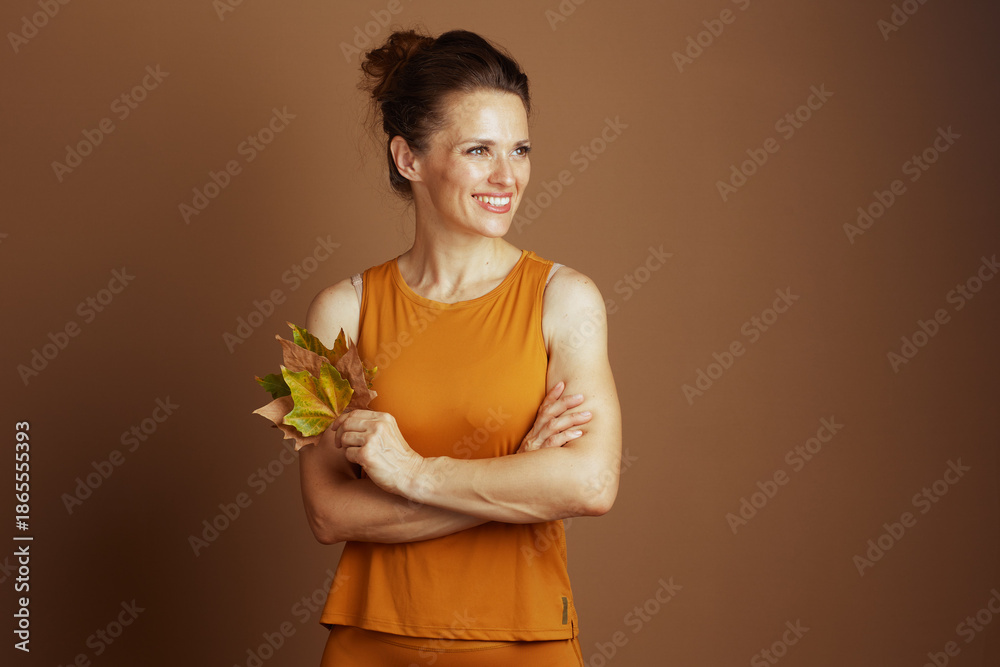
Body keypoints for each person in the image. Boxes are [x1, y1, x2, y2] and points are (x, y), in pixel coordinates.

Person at [298, 27, 622, 666]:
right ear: (407, 159)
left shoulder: (567, 299)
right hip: (373, 644)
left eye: (521, 149)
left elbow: (590, 482)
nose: (508, 176)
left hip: (525, 644)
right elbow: (328, 512)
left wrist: (411, 472)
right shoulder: (337, 312)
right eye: (479, 150)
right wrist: (519, 477)